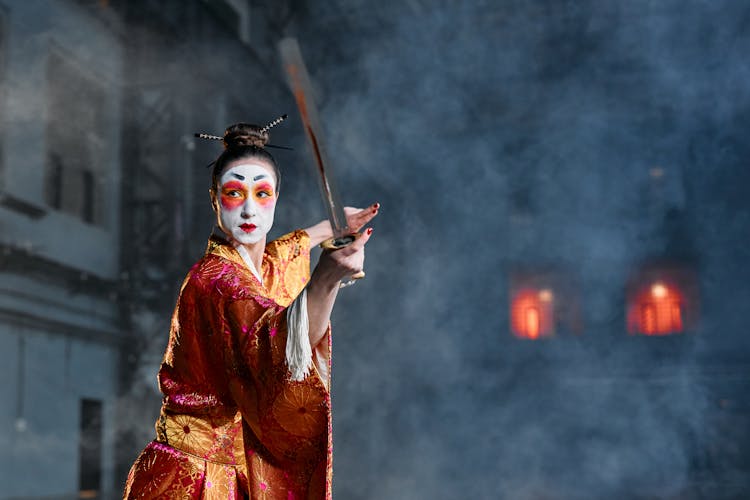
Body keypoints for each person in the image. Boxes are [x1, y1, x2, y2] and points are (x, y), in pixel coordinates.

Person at [123, 121, 378, 499]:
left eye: (262, 194)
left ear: (277, 199)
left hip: (233, 475)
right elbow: (276, 345)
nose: (247, 209)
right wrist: (326, 279)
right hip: (192, 480)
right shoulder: (214, 280)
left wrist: (331, 227)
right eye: (233, 192)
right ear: (214, 199)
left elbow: (283, 251)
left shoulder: (256, 267)